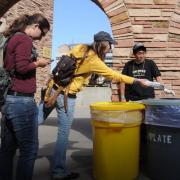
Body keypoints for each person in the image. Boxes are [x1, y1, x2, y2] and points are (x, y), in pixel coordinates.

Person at [38, 31, 150, 180]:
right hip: (66, 96)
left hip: (52, 89)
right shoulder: (94, 61)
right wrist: (136, 81)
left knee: (36, 120)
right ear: (103, 44)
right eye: (109, 45)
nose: (110, 48)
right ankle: (58, 171)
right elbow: (113, 75)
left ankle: (16, 146)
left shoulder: (80, 48)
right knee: (63, 133)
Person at [0, 13, 50, 180]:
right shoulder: (24, 39)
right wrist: (38, 63)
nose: (41, 37)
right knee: (29, 150)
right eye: (42, 33)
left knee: (8, 150)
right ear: (35, 26)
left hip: (10, 99)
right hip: (22, 101)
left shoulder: (13, 38)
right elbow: (21, 68)